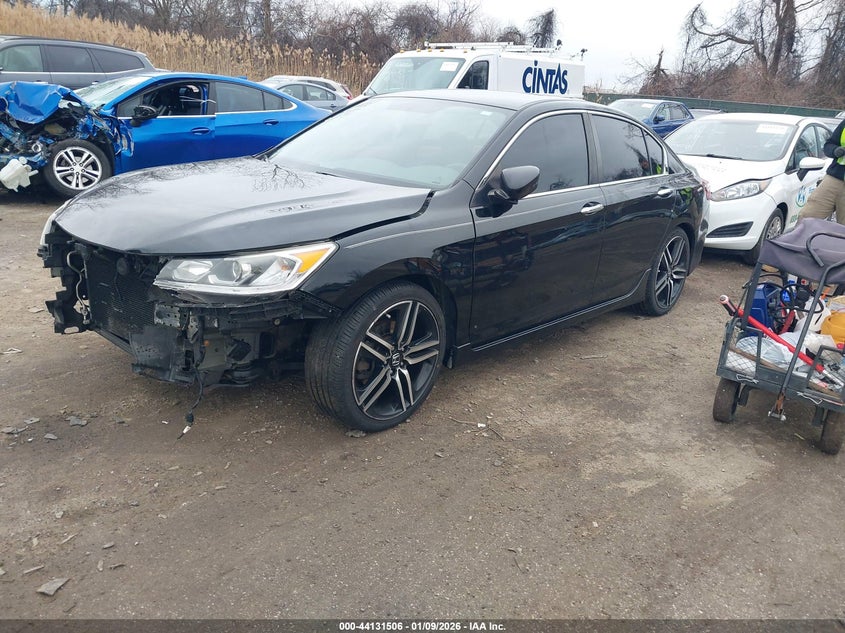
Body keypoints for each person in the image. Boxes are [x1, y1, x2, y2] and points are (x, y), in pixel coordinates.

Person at [797, 118, 845, 223]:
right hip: (835, 178)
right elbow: (829, 145)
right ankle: (800, 239)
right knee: (806, 217)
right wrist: (835, 150)